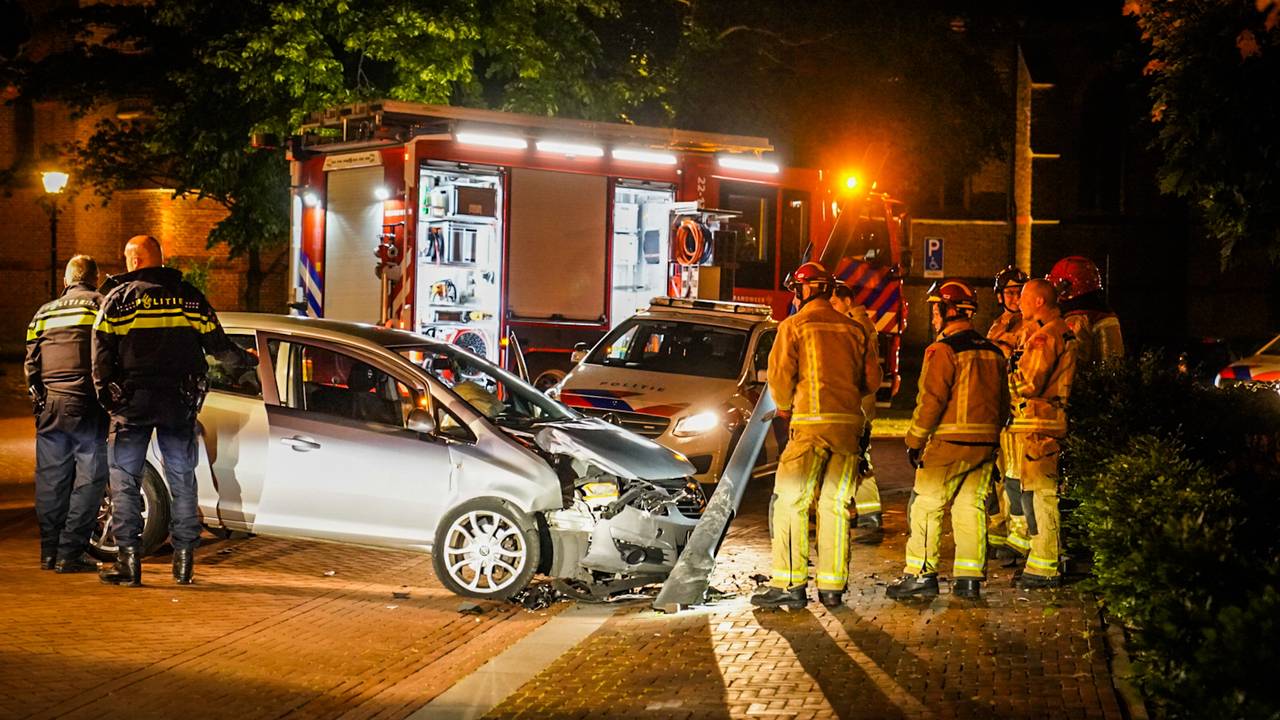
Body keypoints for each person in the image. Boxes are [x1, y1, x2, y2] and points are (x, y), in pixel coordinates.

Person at [93, 235, 256, 587]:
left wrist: (108, 397)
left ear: (135, 260)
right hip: (178, 403)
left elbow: (101, 353)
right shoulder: (189, 297)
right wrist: (247, 367)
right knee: (183, 481)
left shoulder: (118, 300)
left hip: (131, 405)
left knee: (124, 482)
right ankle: (184, 564)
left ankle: (129, 562)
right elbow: (218, 344)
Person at [752, 262, 878, 610]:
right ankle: (832, 589)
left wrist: (785, 406)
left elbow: (779, 379)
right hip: (848, 429)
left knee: (790, 502)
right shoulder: (855, 330)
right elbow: (871, 381)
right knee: (835, 506)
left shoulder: (793, 326)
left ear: (803, 291)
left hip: (809, 427)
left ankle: (791, 585)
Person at [887, 280, 1007, 600]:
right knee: (971, 508)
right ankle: (968, 579)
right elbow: (1004, 402)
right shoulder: (994, 351)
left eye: (936, 309)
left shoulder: (942, 350)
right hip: (986, 446)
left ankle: (920, 575)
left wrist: (914, 440)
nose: (934, 316)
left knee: (926, 507)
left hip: (949, 444)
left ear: (948, 310)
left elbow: (931, 401)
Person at [25, 255, 109, 573]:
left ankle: (48, 551)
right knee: (90, 478)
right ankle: (70, 553)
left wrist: (39, 398)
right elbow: (110, 353)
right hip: (87, 404)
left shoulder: (43, 313)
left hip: (50, 405)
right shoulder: (100, 305)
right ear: (95, 278)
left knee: (51, 479)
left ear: (66, 281)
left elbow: (31, 363)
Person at [1007, 278, 1078, 589]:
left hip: (1039, 426)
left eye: (1023, 298)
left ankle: (1044, 566)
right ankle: (1045, 560)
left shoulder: (1044, 338)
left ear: (1038, 302)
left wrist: (1004, 374)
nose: (1019, 304)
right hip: (1049, 422)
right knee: (1039, 495)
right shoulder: (1062, 331)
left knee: (1038, 496)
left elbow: (1027, 384)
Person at [829, 283, 885, 543]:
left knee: (861, 459)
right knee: (858, 457)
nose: (832, 310)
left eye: (835, 304)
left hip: (859, 403)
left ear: (847, 301)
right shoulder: (860, 323)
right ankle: (867, 514)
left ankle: (871, 517)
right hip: (859, 402)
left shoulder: (858, 326)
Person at [986, 266, 1032, 561]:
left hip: (1019, 410)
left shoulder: (1031, 325)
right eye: (1009, 292)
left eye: (1019, 292)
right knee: (999, 475)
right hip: (999, 407)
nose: (1014, 298)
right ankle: (998, 531)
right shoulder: (997, 325)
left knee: (1017, 475)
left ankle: (1020, 535)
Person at [1046, 256, 1123, 365]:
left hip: (1087, 380)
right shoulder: (1104, 313)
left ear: (1068, 286)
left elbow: (1074, 362)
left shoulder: (1078, 319)